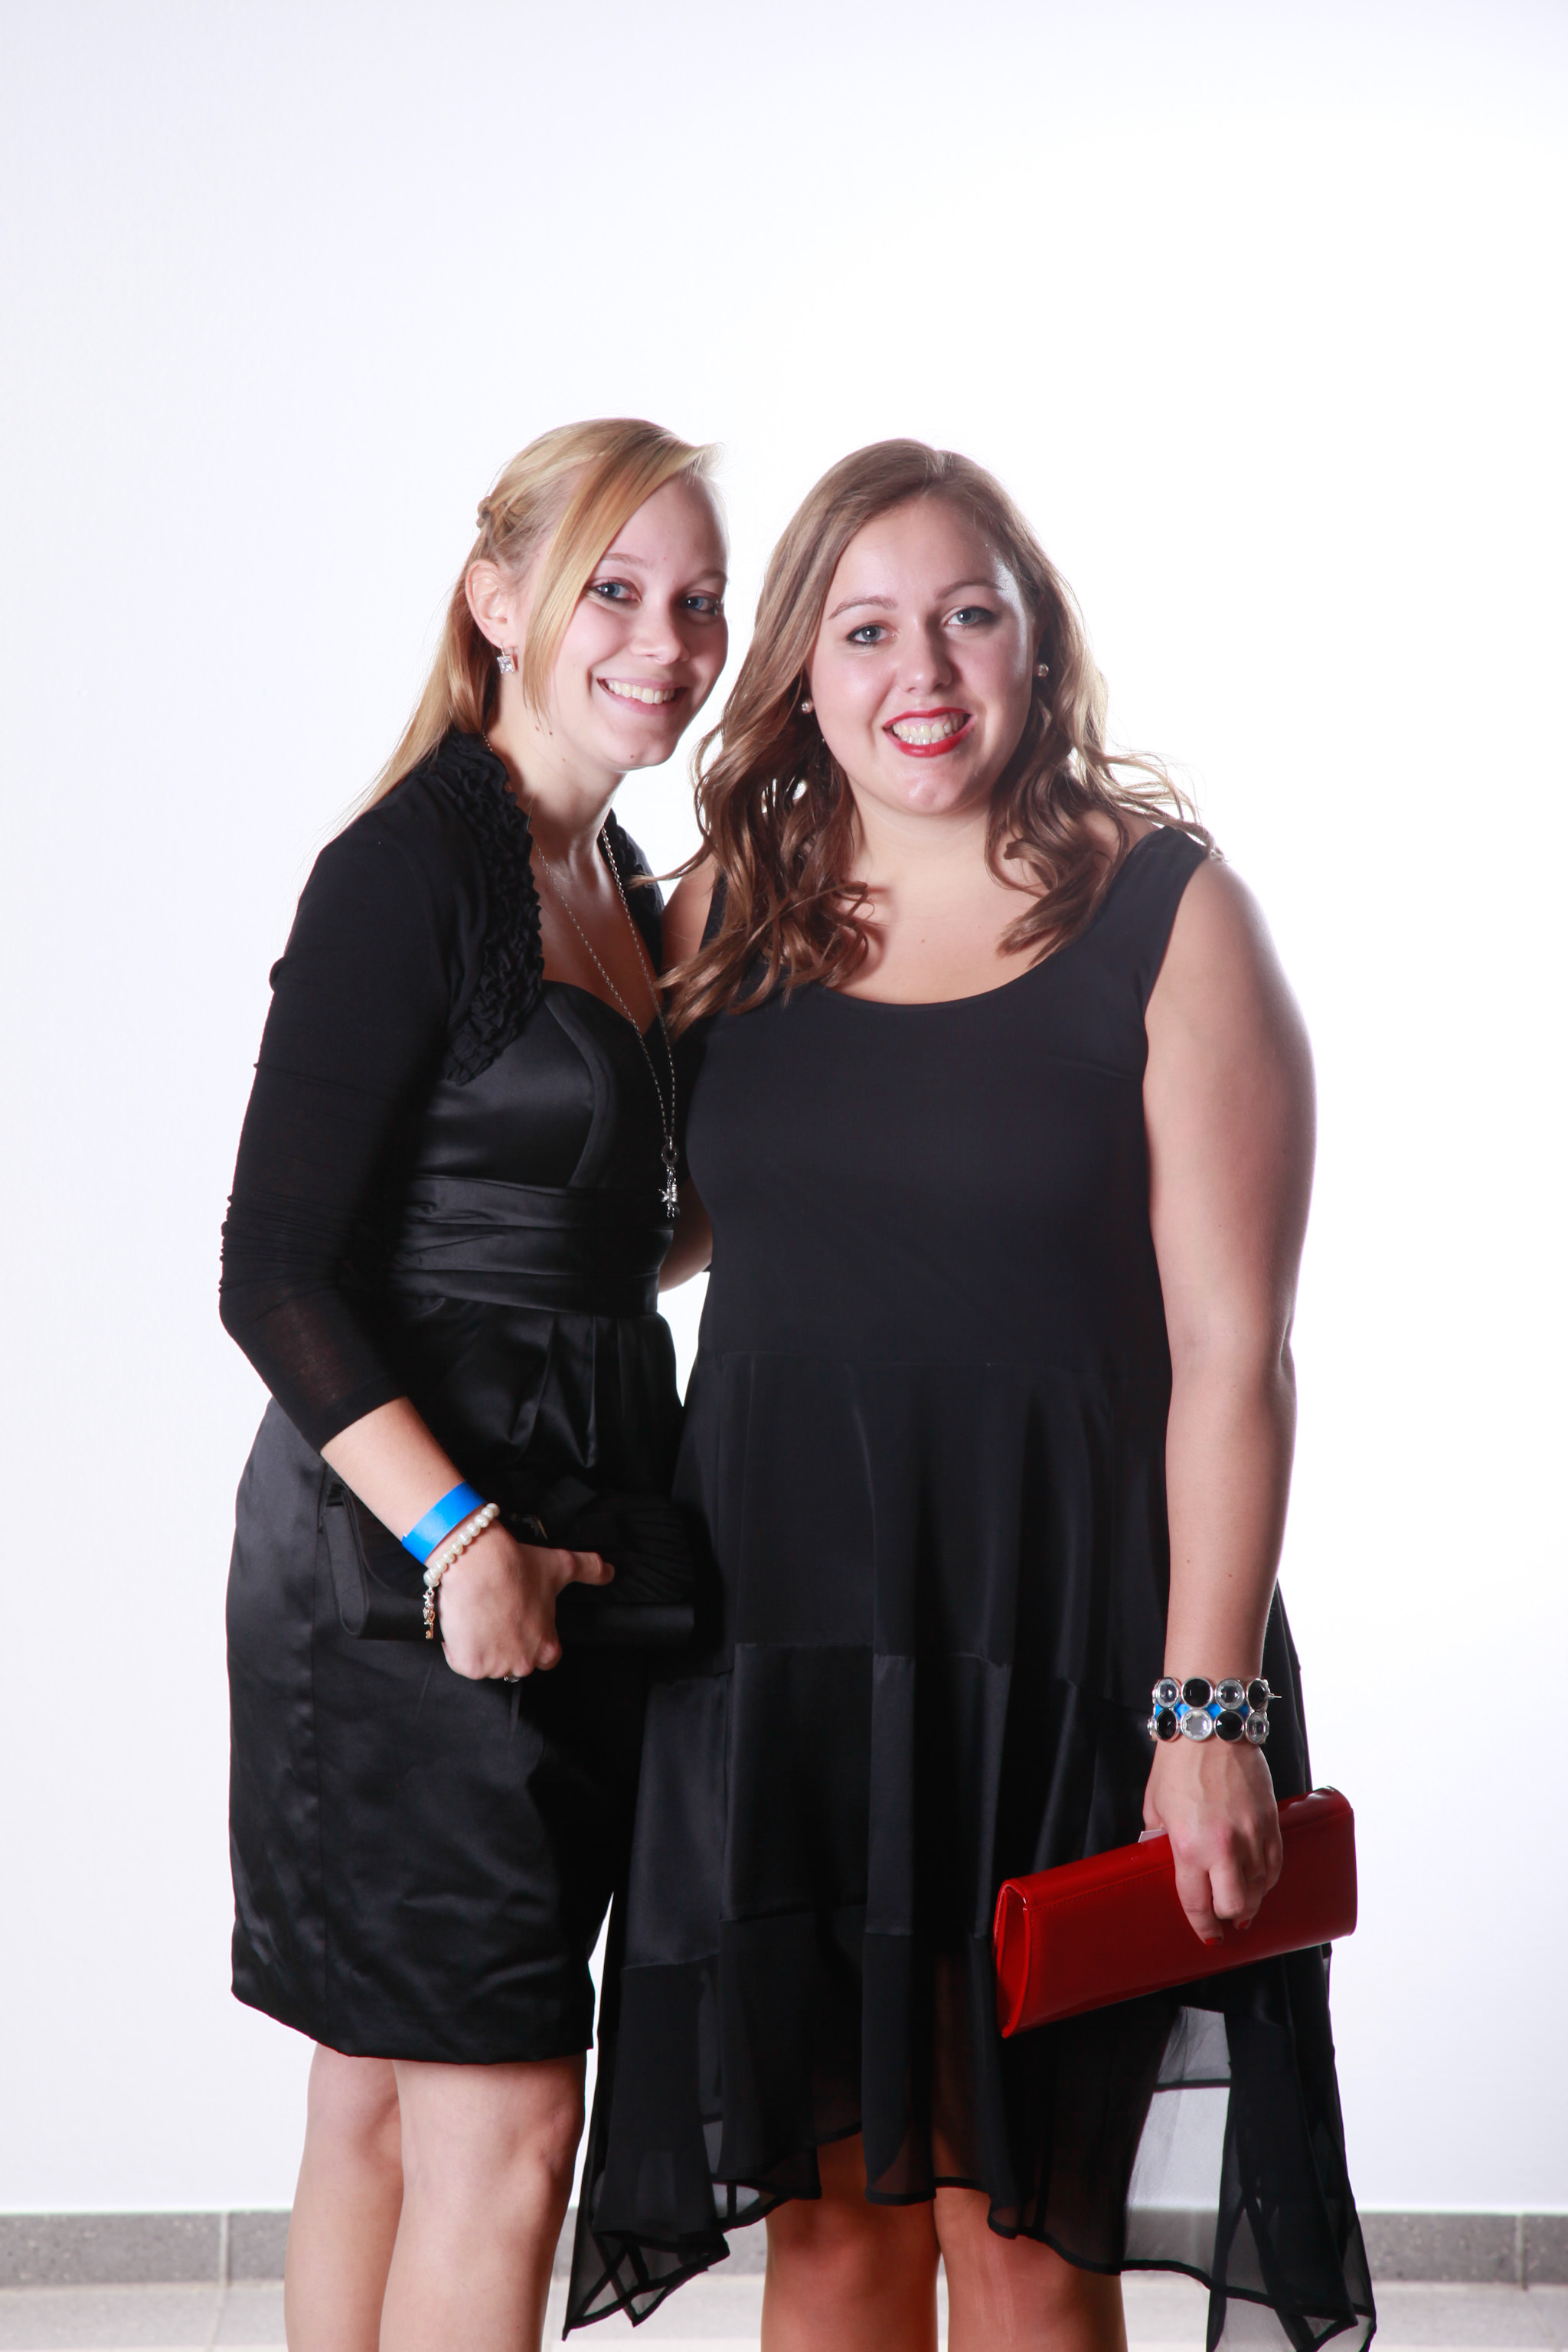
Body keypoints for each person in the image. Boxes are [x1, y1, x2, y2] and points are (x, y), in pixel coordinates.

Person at [568, 442, 1373, 2352]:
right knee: (831, 2235)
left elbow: (1236, 1357)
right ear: (800, 666)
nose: (918, 671)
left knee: (1023, 2241)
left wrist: (1207, 1710)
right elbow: (635, 1230)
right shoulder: (722, 913)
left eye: (965, 616)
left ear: (1037, 644)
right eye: (865, 629)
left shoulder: (1169, 916)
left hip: (1067, 1654)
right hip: (778, 1655)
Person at [219, 417, 728, 2352]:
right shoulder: (404, 869)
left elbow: (595, 1242)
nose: (664, 642)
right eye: (614, 591)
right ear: (498, 598)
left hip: (574, 1517)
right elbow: (271, 1269)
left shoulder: (614, 869)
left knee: (383, 2090)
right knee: (506, 2125)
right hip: (403, 1556)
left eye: (699, 601)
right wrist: (458, 1536)